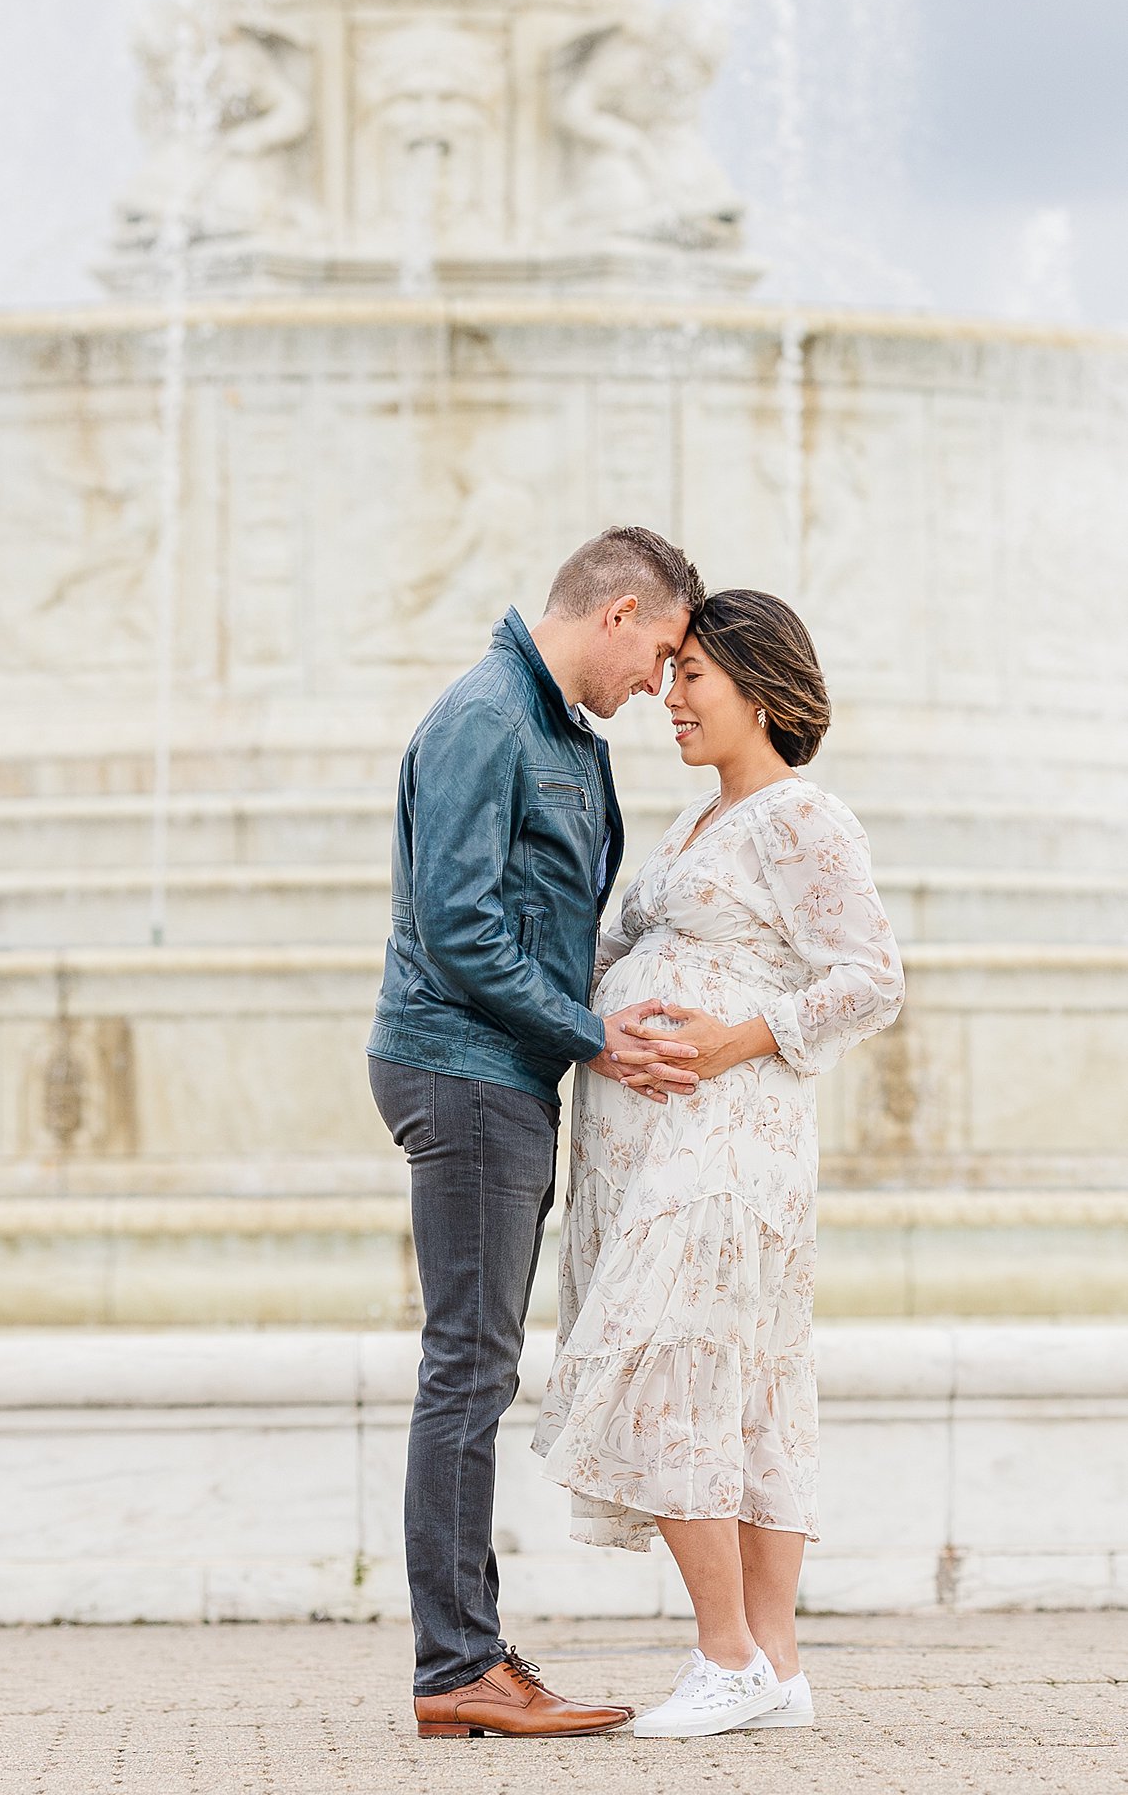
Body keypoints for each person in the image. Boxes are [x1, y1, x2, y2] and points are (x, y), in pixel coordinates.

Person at [532, 589, 904, 1739]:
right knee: (743, 1386)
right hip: (663, 1143)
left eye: (691, 675)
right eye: (670, 671)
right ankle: (775, 1667)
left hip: (728, 1139)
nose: (668, 696)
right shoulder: (701, 820)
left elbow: (868, 977)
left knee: (670, 1362)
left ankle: (725, 1653)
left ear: (759, 687)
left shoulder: (800, 815)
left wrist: (731, 1037)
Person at [367, 526, 707, 1740]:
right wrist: (592, 1035)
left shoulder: (548, 724)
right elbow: (459, 928)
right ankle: (457, 1663)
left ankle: (464, 1654)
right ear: (616, 612)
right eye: (660, 650)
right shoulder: (486, 719)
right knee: (466, 1365)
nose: (658, 683)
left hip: (492, 1072)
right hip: (461, 1070)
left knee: (474, 1363)